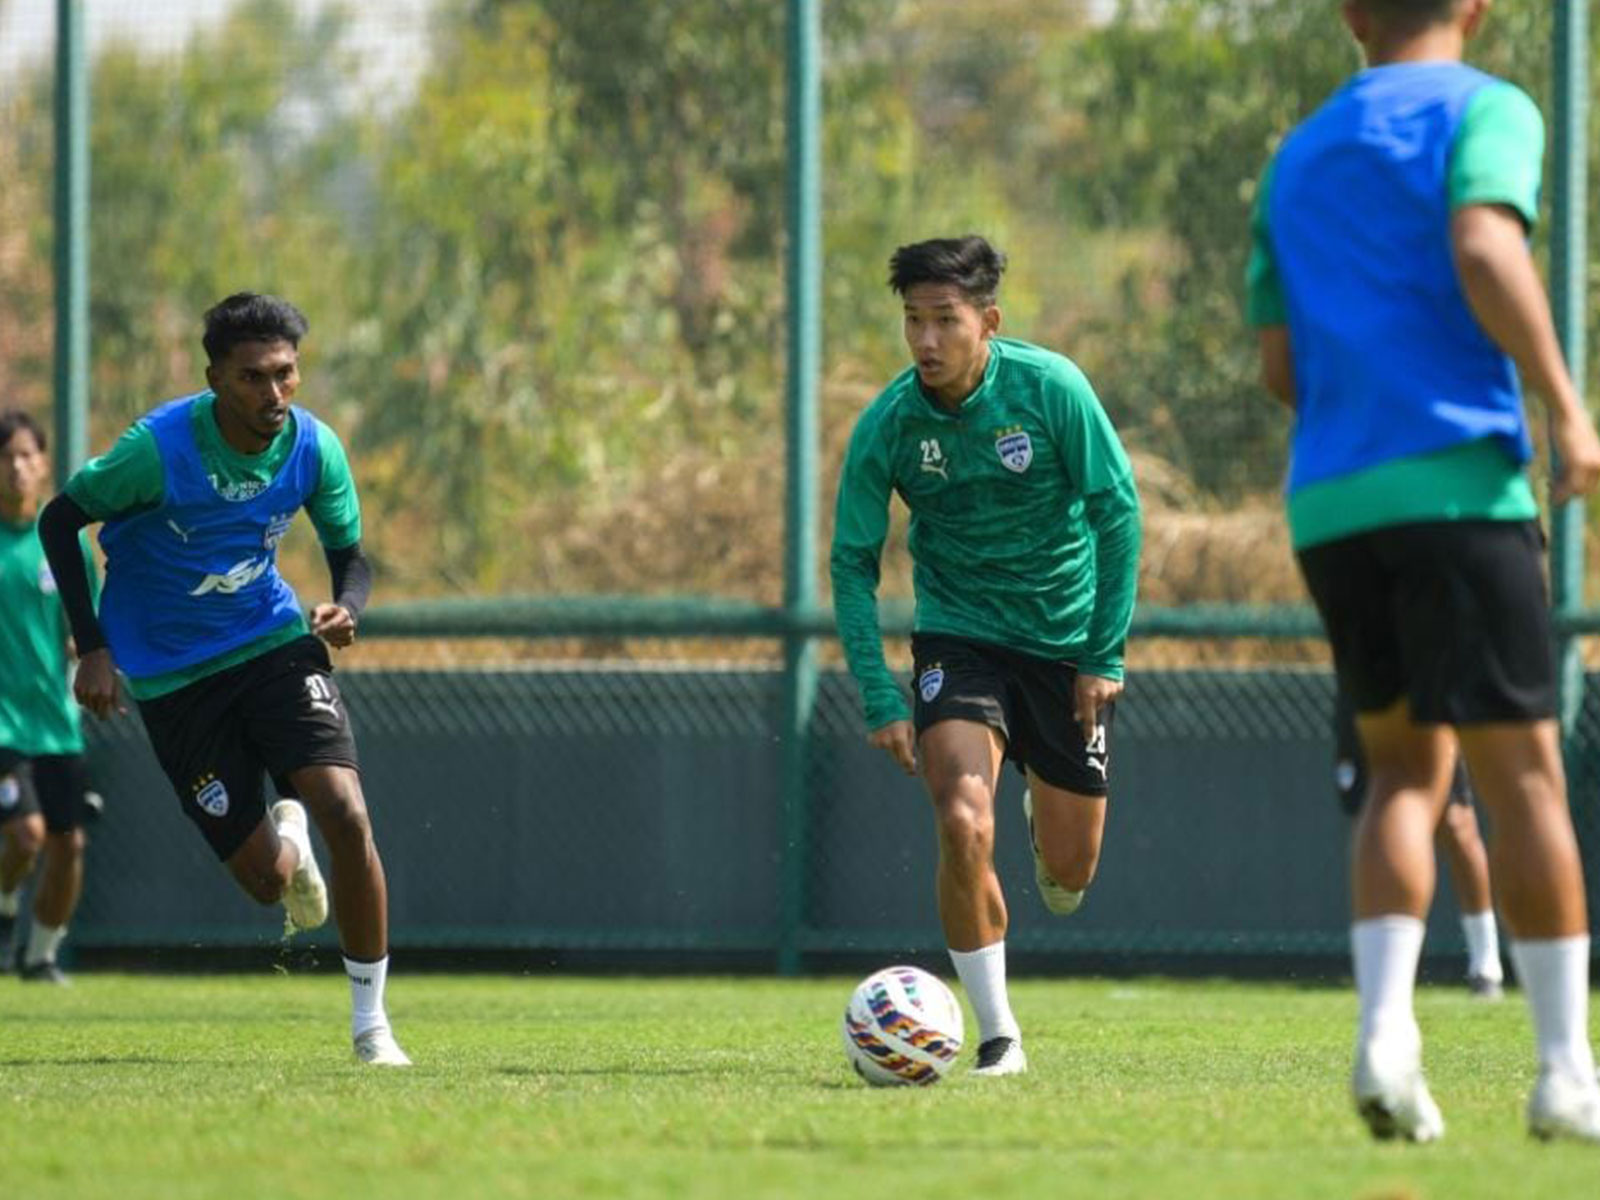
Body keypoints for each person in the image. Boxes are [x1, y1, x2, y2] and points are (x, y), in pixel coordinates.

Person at [1247, 0, 1600, 1142]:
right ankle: (1566, 1075)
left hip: (1333, 504)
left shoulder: (1297, 156)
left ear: (1351, 14)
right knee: (1521, 777)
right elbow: (1486, 248)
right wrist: (1567, 406)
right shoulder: (1487, 110)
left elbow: (1278, 365)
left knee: (1402, 773)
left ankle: (1385, 1043)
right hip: (1457, 492)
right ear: (1478, 7)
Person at [38, 293, 409, 1066]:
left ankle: (372, 1027)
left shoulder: (314, 448)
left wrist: (347, 607)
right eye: (253, 377)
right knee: (267, 884)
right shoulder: (158, 450)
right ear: (215, 380)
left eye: (286, 373)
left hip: (270, 641)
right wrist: (93, 646)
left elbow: (351, 557)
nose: (274, 393)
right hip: (172, 677)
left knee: (347, 812)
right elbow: (59, 520)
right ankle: (287, 836)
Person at [831, 235, 1141, 1077]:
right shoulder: (891, 423)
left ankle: (1045, 810)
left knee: (1069, 877)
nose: (926, 340)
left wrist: (1103, 653)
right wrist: (880, 694)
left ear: (989, 322)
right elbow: (852, 562)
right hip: (959, 638)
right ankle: (999, 1035)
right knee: (963, 821)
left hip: (1064, 644)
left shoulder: (1051, 389)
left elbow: (1118, 512)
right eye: (913, 321)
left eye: (945, 320)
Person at [0, 409, 100, 984]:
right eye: (6, 457)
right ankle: (5, 904)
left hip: (56, 723)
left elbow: (84, 628)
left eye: (26, 455)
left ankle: (38, 956)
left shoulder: (62, 541)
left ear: (42, 465)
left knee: (70, 845)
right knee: (27, 835)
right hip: (4, 725)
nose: (16, 467)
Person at [1333, 691, 1504, 999]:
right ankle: (1382, 974)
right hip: (1366, 690)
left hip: (1427, 689)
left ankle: (1486, 963)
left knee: (1456, 823)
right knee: (1373, 817)